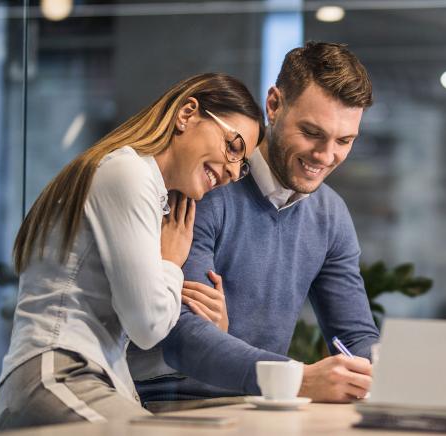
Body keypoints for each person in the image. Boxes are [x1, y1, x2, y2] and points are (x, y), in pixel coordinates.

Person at [0, 73, 264, 431]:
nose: (232, 170)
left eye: (242, 166)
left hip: (81, 380)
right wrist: (169, 264)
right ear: (186, 114)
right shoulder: (128, 172)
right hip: (55, 377)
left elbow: (139, 326)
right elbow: (148, 325)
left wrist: (205, 324)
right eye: (234, 146)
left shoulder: (146, 188)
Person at [131, 42, 379, 404]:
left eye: (344, 140)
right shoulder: (205, 186)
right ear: (274, 105)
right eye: (311, 133)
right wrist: (297, 379)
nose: (326, 156)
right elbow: (182, 335)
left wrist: (383, 371)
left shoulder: (330, 215)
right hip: (170, 404)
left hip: (261, 406)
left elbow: (355, 336)